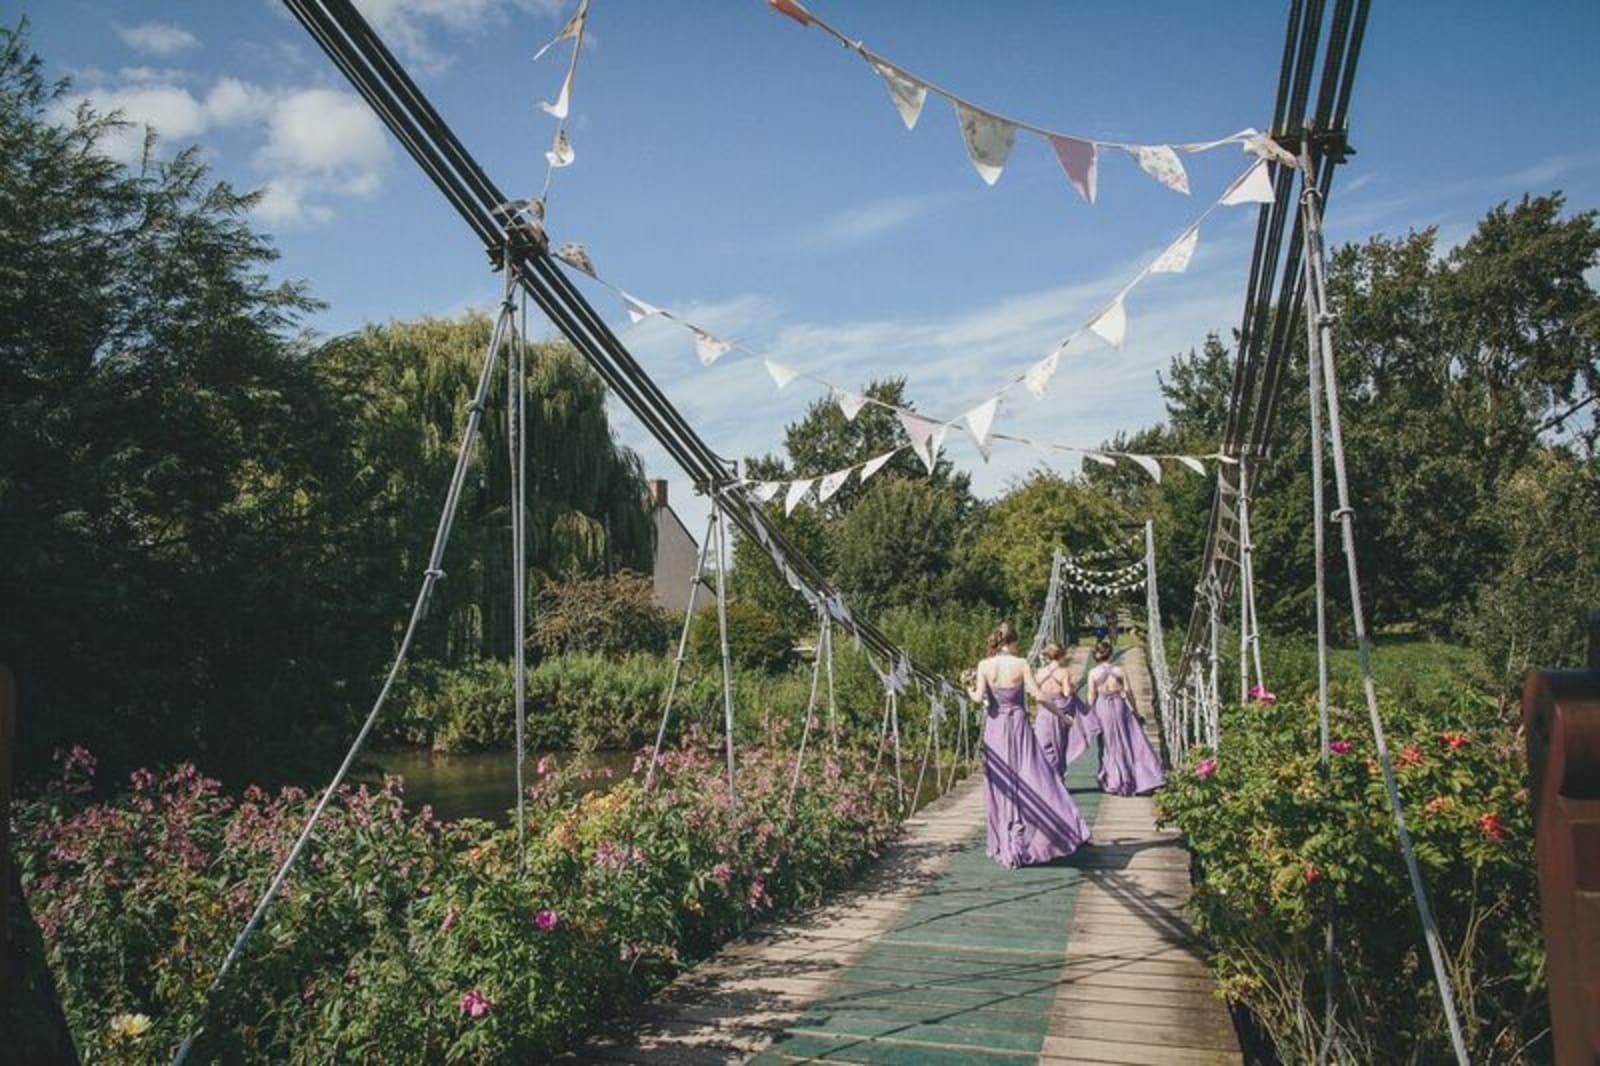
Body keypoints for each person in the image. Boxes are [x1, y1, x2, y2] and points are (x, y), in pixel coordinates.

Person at [966, 622, 1091, 868]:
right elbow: (1039, 696)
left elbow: (978, 698)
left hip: (996, 729)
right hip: (1020, 727)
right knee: (1034, 777)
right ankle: (1050, 832)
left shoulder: (984, 665)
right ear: (1012, 642)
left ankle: (1006, 838)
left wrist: (968, 687)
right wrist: (1062, 716)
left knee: (1001, 781)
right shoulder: (1021, 663)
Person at [1085, 640, 1165, 796]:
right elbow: (1128, 691)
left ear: (1096, 655)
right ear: (1110, 653)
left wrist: (1090, 713)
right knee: (1128, 739)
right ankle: (1136, 778)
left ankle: (1115, 780)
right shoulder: (1119, 670)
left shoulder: (1093, 673)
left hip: (1103, 707)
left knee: (1109, 743)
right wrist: (1135, 710)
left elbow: (1091, 695)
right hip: (1119, 705)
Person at [1032, 643, 1080, 775]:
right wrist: (1072, 687)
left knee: (1044, 745)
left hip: (1044, 710)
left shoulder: (1040, 673)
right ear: (1062, 655)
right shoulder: (1064, 673)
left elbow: (1035, 693)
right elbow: (1066, 693)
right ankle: (1058, 776)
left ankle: (1046, 776)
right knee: (1059, 744)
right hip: (1059, 711)